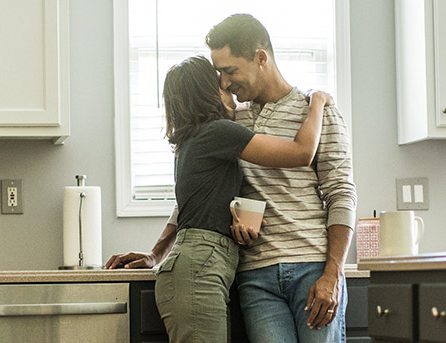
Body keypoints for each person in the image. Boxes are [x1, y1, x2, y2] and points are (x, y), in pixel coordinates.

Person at [107, 14, 356, 343]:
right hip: (254, 275)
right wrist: (157, 252)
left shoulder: (315, 111)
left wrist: (333, 272)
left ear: (260, 58)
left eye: (229, 71)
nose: (223, 82)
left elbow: (341, 193)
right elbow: (196, 197)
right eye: (218, 73)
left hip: (310, 265)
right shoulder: (227, 121)